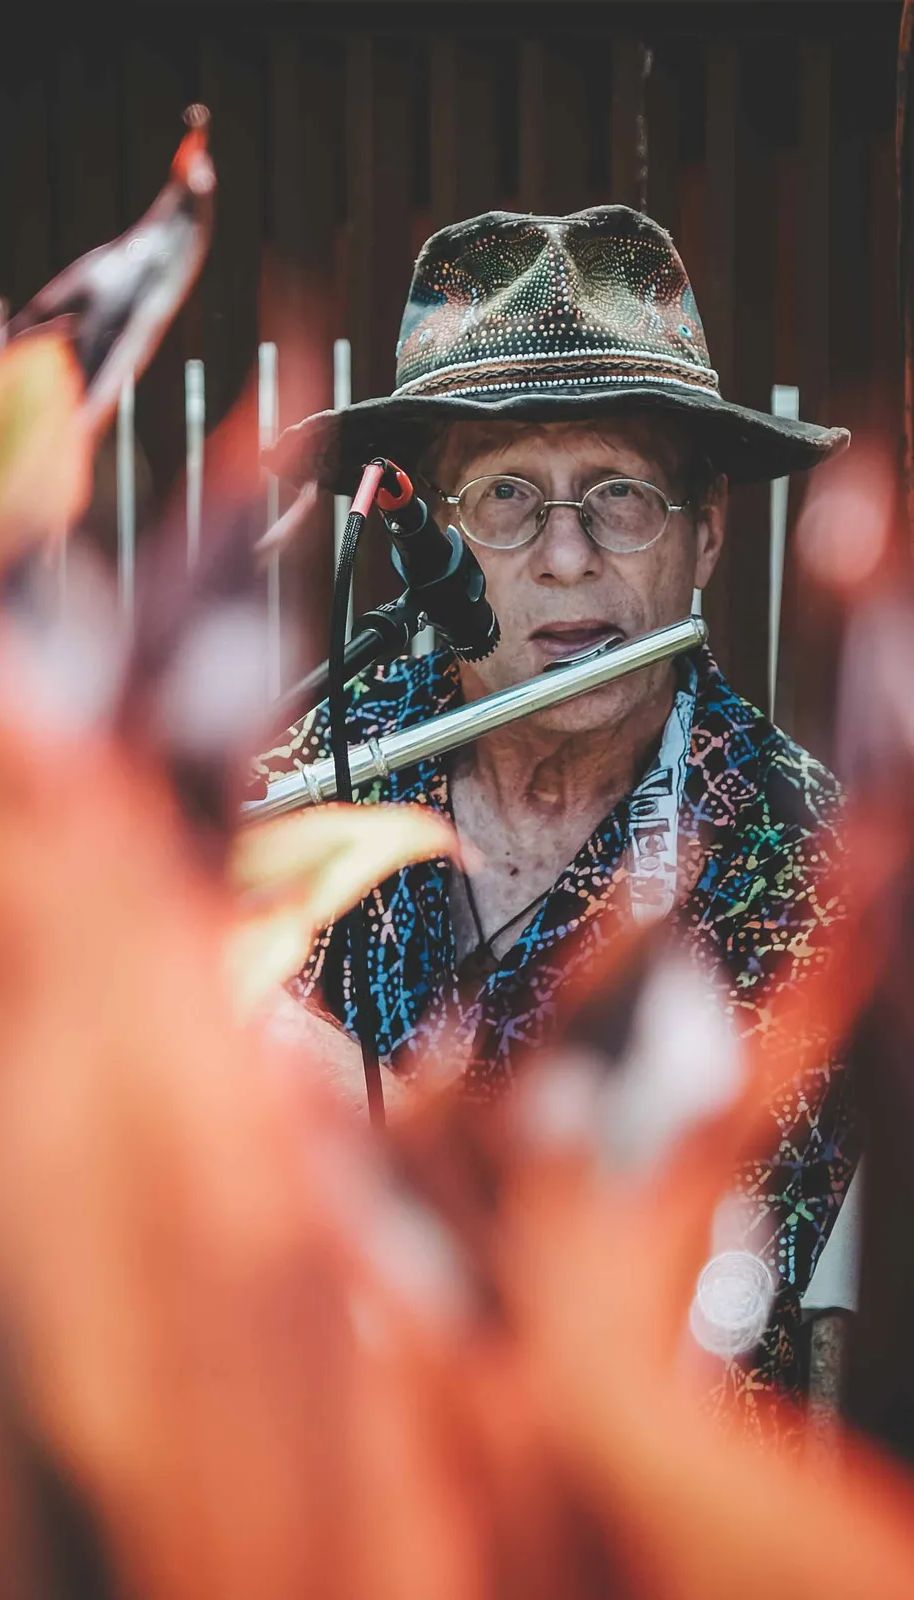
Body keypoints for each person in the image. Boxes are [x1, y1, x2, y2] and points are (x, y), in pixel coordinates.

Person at [262, 205, 856, 1406]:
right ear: (429, 541)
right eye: (505, 500)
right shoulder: (331, 758)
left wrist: (312, 1086)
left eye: (619, 496)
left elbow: (679, 1304)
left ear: (703, 535)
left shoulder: (801, 869)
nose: (567, 557)